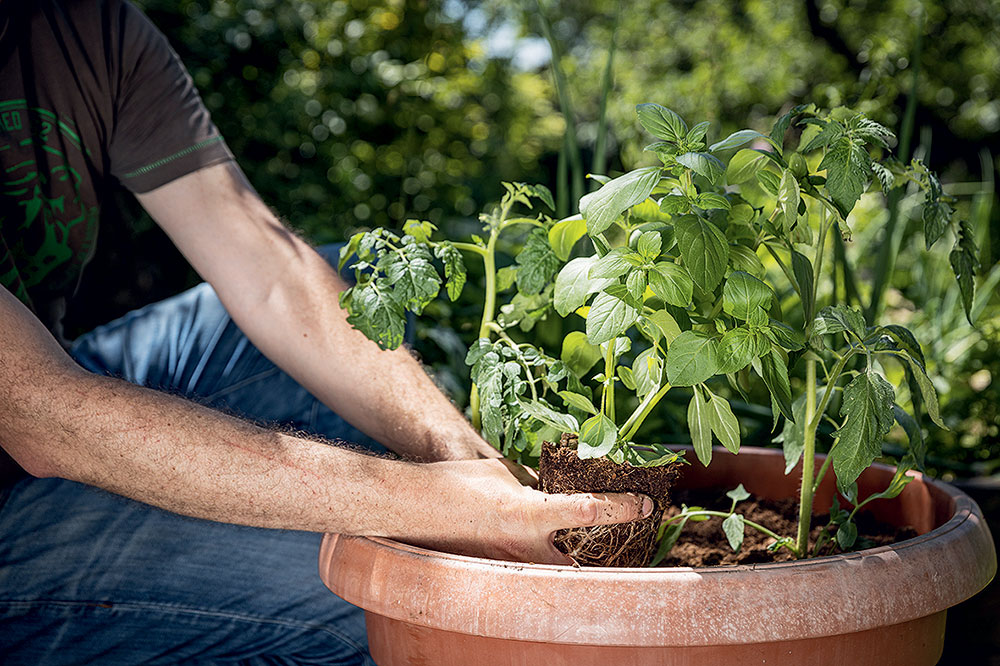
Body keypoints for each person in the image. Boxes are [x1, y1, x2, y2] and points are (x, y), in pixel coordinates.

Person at [0, 1, 652, 663]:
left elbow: (272, 270)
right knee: (384, 596)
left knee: (353, 279)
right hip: (27, 453)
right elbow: (42, 415)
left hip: (57, 390)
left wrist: (464, 460)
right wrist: (436, 509)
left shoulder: (84, 28)